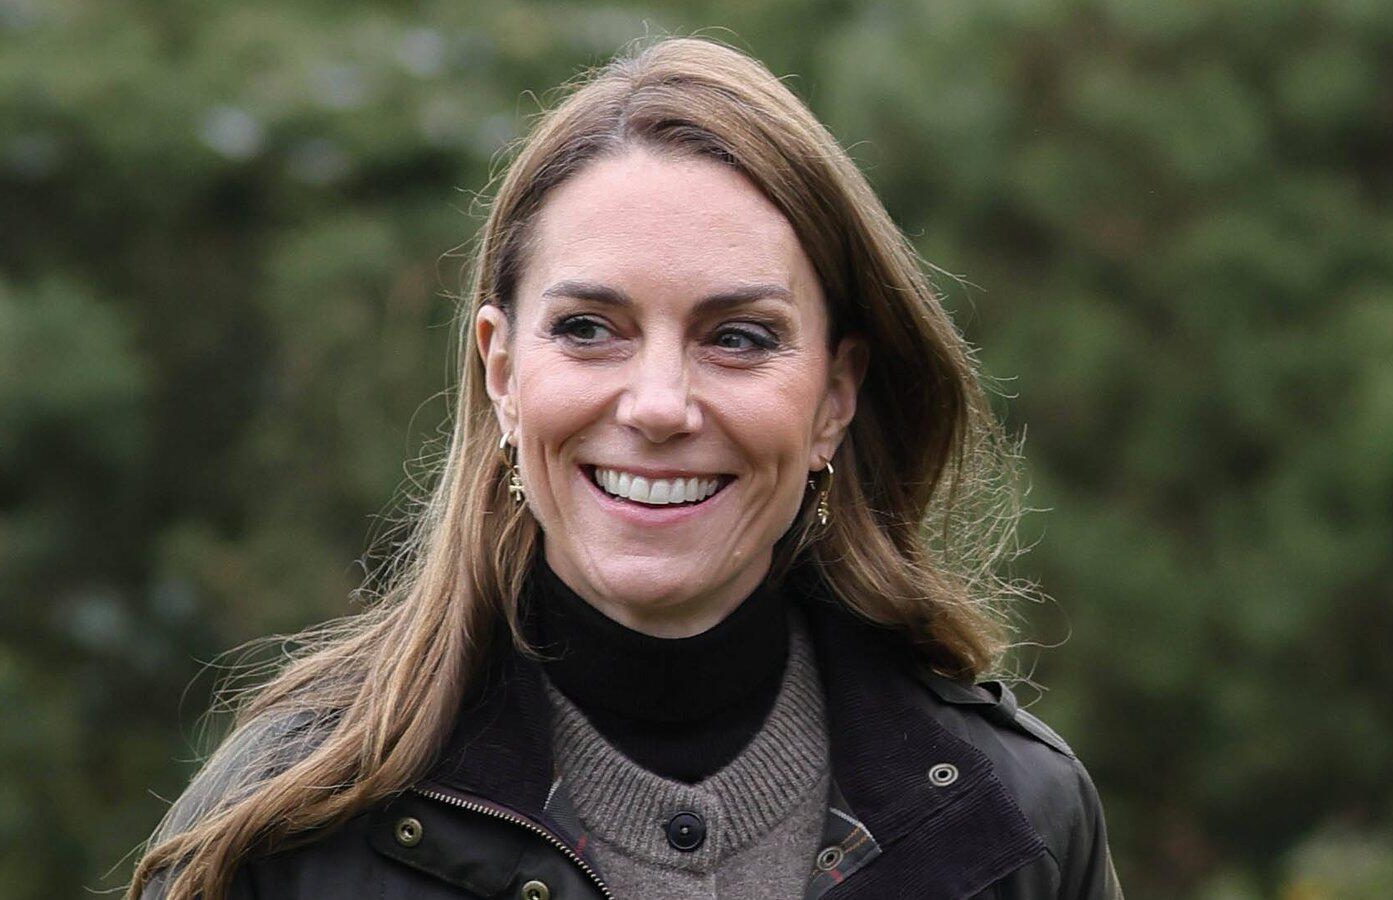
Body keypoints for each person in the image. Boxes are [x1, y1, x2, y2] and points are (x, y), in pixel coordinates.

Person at [130, 34, 1122, 900]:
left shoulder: (1015, 823)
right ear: (502, 373)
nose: (656, 406)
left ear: (834, 397)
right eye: (588, 328)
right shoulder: (285, 830)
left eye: (737, 337)